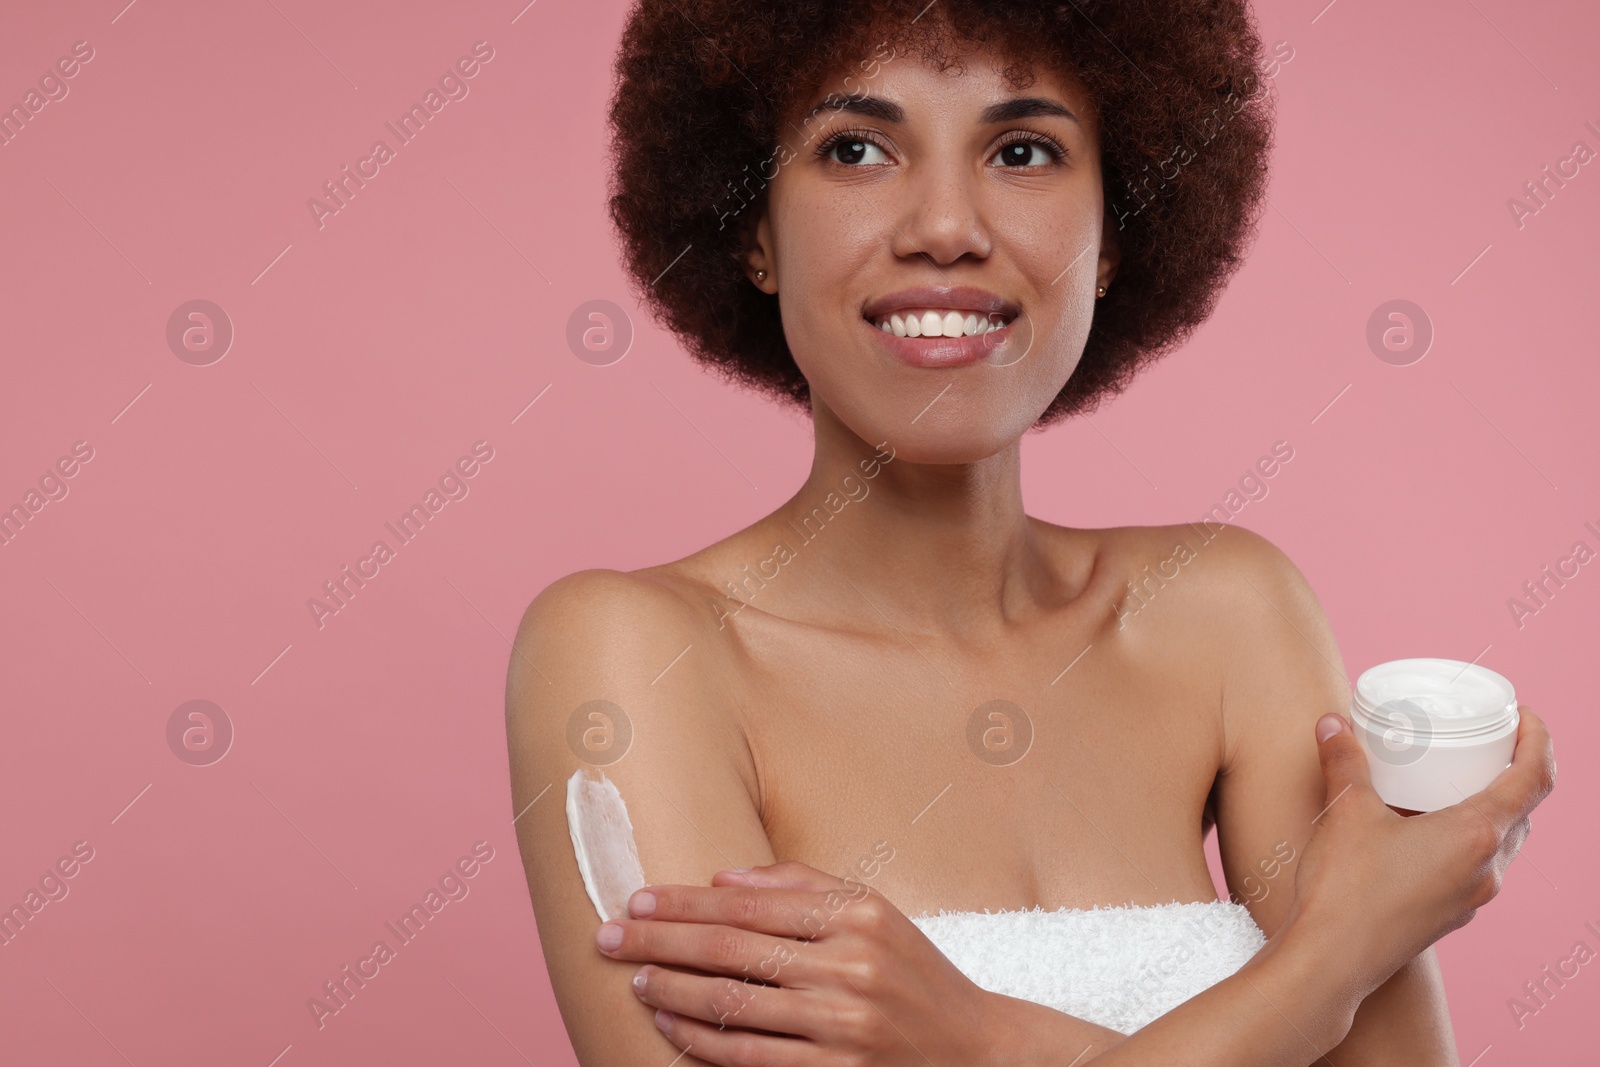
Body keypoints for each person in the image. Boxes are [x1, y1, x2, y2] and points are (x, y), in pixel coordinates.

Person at [505, 1, 1556, 1063]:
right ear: (754, 232)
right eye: (856, 148)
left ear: (1112, 237)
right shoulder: (632, 651)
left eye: (1022, 150)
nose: (947, 226)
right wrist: (1333, 957)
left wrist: (975, 1036)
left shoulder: (1225, 610)